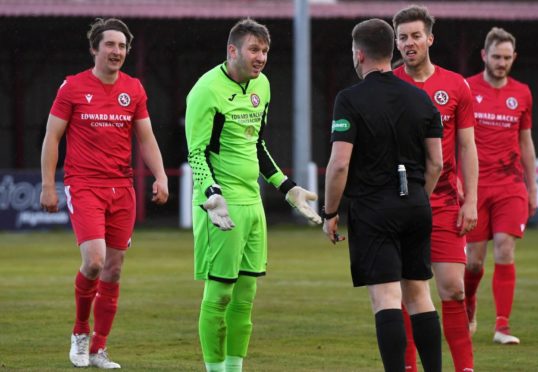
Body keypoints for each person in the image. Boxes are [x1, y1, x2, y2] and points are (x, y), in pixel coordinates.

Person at [185, 18, 322, 372]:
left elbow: (257, 145)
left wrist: (288, 189)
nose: (260, 57)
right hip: (221, 207)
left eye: (265, 51)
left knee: (245, 298)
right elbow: (196, 153)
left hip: (253, 205)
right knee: (219, 296)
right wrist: (211, 195)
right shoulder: (206, 90)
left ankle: (234, 369)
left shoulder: (263, 85)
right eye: (254, 50)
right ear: (233, 51)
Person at [40, 18, 169, 368]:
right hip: (84, 185)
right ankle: (80, 333)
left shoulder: (134, 89)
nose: (117, 51)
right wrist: (49, 184)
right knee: (94, 261)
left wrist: (160, 176)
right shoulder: (72, 87)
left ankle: (99, 348)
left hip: (122, 188)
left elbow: (146, 138)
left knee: (113, 269)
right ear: (94, 49)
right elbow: (52, 137)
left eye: (122, 46)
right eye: (110, 45)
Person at [323, 18, 444, 372]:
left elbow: (339, 164)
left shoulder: (349, 99)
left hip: (374, 209)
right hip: (417, 205)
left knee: (387, 298)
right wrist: (418, 197)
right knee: (420, 296)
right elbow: (436, 161)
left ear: (358, 54)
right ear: (391, 52)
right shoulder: (420, 98)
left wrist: (330, 213)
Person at [392, 5, 478, 371]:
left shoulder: (456, 85)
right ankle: (410, 366)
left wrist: (471, 199)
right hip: (401, 201)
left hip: (444, 201)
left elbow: (468, 146)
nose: (409, 43)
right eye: (402, 38)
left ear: (430, 38)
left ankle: (465, 368)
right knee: (408, 291)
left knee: (453, 288)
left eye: (415, 36)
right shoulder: (389, 84)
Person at [464, 27, 538, 345]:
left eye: (507, 58)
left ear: (514, 58)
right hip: (475, 186)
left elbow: (526, 142)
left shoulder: (522, 93)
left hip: (510, 184)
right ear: (484, 55)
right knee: (474, 261)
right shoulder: (466, 89)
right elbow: (454, 138)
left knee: (506, 248)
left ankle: (502, 327)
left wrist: (532, 187)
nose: (501, 63)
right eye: (496, 57)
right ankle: (468, 306)